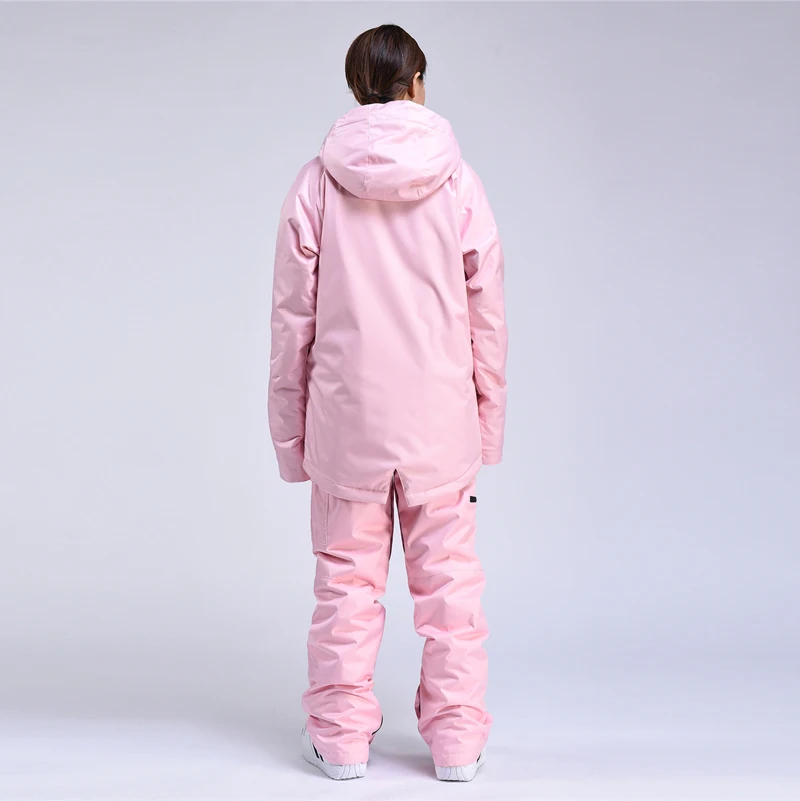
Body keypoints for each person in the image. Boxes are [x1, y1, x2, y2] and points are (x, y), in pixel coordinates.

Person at [267, 23, 507, 782]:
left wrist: (289, 437)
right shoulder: (460, 182)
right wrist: (488, 425)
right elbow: (488, 317)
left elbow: (291, 324)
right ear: (417, 84)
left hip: (348, 423)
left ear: (356, 88)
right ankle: (457, 743)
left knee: (345, 584)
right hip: (440, 422)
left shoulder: (315, 184)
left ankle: (339, 742)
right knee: (451, 589)